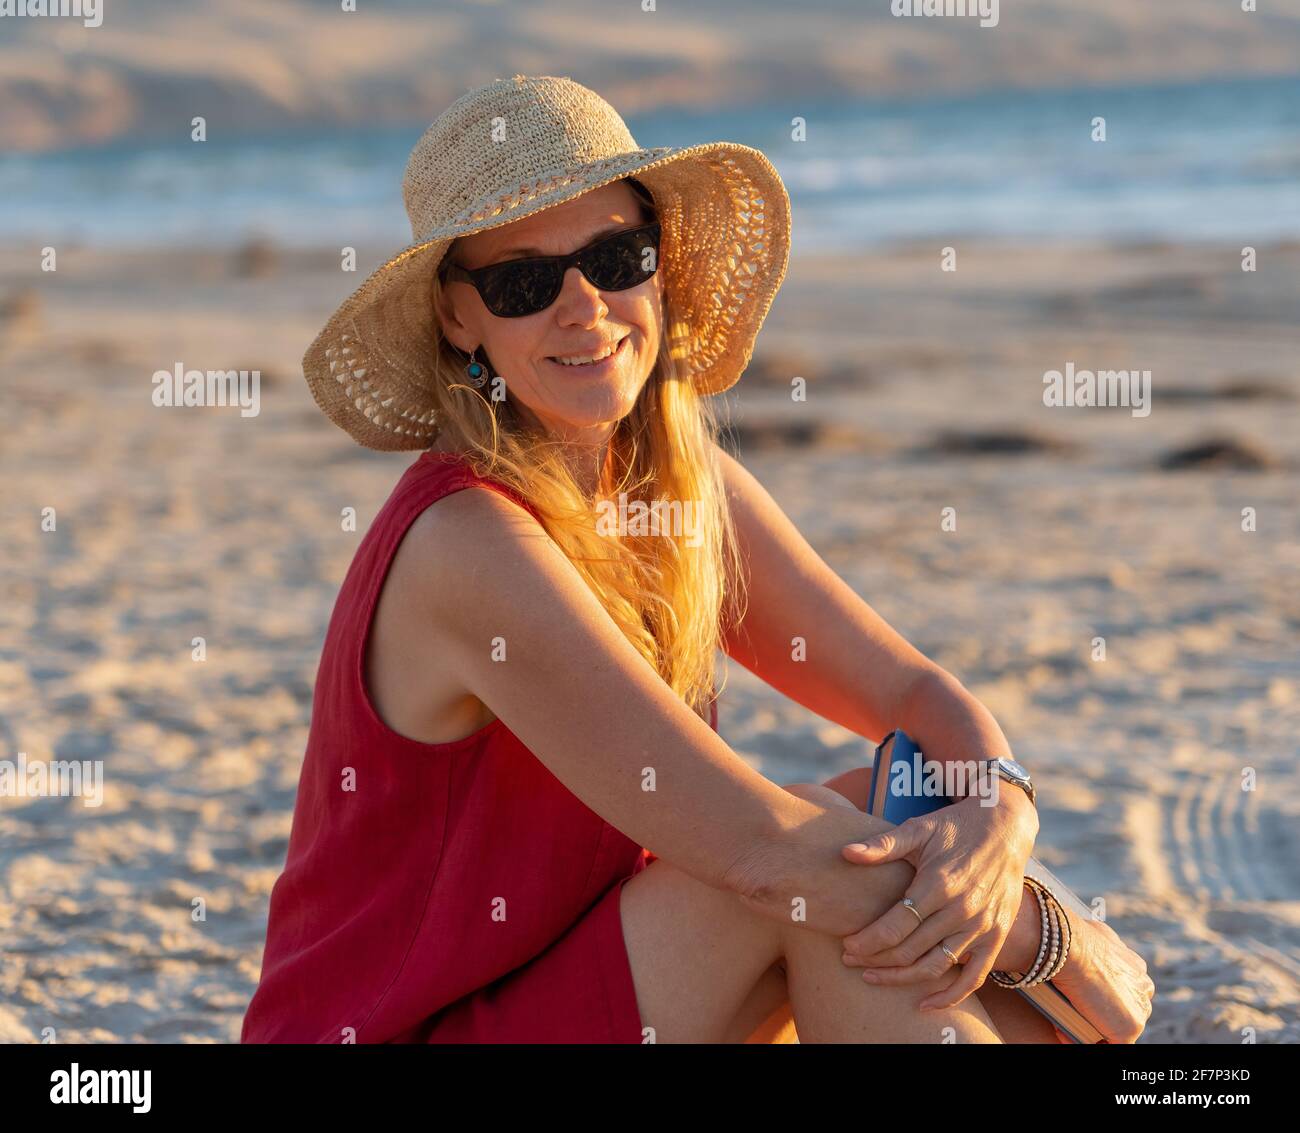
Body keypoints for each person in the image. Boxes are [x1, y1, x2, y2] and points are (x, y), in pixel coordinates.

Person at [241, 75, 1153, 1044]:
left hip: (583, 982)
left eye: (614, 255)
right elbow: (764, 856)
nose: (584, 306)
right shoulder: (466, 544)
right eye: (522, 281)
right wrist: (1043, 933)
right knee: (806, 869)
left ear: (660, 265)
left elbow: (914, 694)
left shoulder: (673, 486)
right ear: (460, 320)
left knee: (896, 799)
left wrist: (1001, 812)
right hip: (408, 1028)